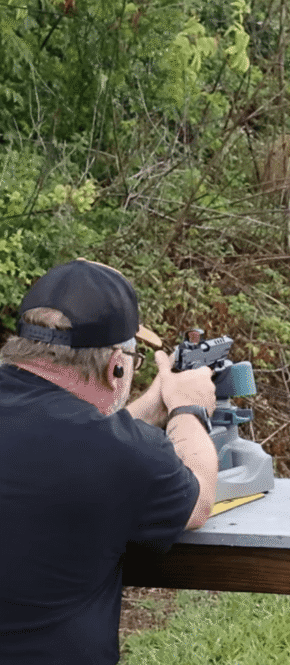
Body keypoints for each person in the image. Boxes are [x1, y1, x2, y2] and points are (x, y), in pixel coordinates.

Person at [0, 258, 219, 664]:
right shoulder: (122, 452)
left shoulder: (109, 446)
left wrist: (148, 407)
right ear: (116, 364)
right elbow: (199, 498)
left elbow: (63, 441)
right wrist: (188, 410)